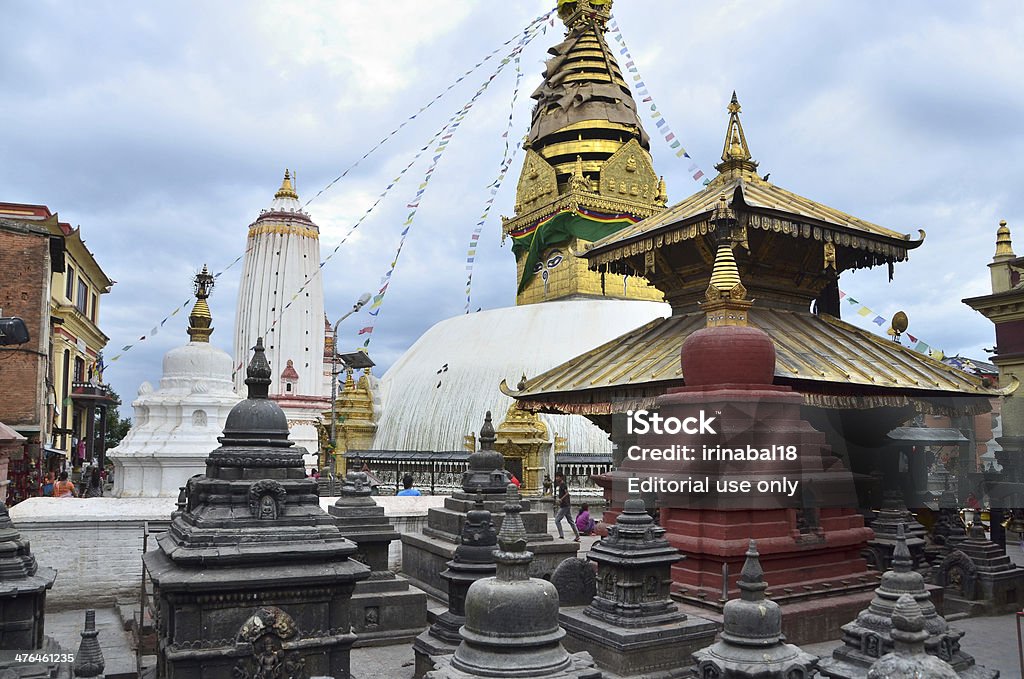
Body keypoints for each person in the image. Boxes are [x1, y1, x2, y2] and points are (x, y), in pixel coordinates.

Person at [553, 471, 579, 542]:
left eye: (557, 477)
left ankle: (561, 536)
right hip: (566, 505)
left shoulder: (563, 484)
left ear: (561, 477)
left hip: (565, 505)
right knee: (570, 521)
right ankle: (577, 535)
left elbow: (567, 493)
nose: (556, 478)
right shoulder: (561, 484)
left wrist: (561, 499)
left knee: (557, 520)